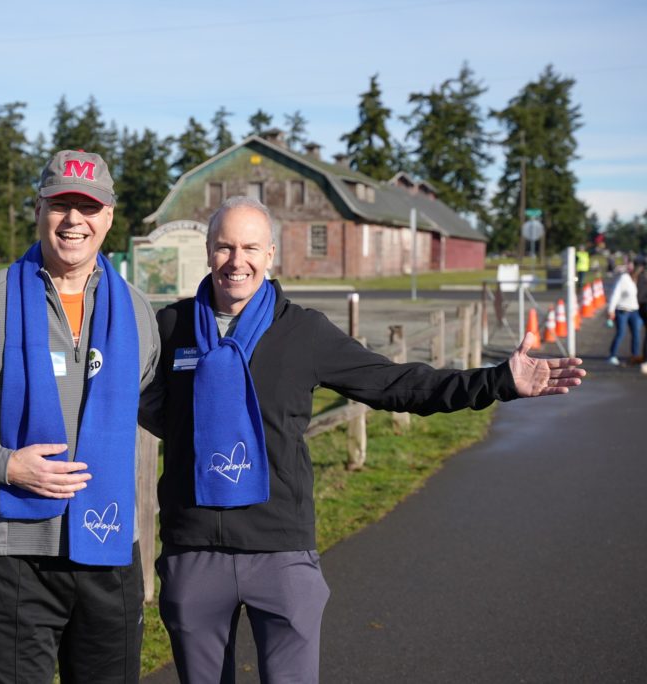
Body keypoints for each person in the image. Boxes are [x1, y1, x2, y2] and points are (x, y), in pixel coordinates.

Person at [138, 196, 586, 684]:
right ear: (208, 251)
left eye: (250, 247)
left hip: (280, 553)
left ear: (271, 254)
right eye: (224, 247)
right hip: (194, 552)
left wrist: (498, 381)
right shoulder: (169, 328)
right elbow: (141, 403)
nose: (236, 261)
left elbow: (395, 384)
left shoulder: (303, 332)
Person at [0, 150, 159, 683]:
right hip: (12, 552)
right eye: (61, 204)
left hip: (109, 546)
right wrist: (4, 464)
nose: (74, 220)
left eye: (88, 206)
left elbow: (156, 402)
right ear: (40, 208)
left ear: (109, 217)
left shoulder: (138, 311)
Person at [605, 260, 642, 365]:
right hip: (623, 310)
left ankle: (635, 355)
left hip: (634, 310)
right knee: (621, 333)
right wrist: (610, 310)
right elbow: (615, 294)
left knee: (636, 334)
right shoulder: (624, 278)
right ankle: (612, 355)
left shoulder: (638, 279)